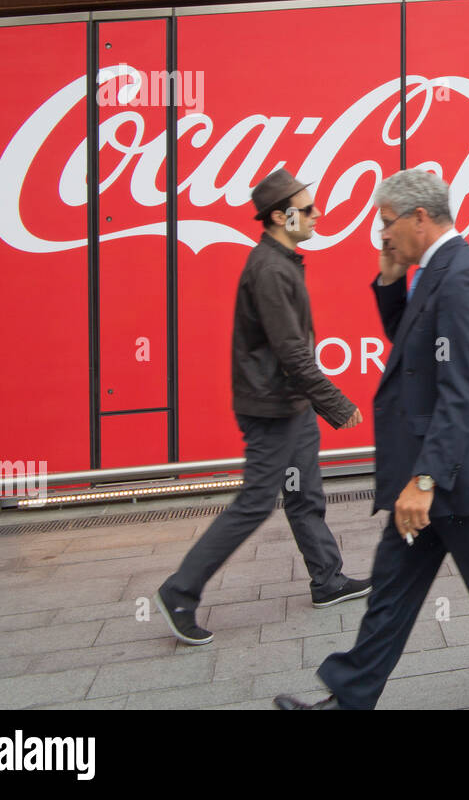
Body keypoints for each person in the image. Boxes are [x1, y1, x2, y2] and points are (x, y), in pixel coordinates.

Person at [275, 169, 469, 710]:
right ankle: (352, 695)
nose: (382, 235)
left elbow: (463, 392)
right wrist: (389, 279)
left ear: (419, 217)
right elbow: (413, 349)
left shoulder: (464, 277)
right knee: (394, 586)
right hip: (434, 468)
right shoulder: (436, 272)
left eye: (387, 224)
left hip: (452, 472)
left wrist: (426, 479)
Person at [156, 169, 370, 645]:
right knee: (255, 502)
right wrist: (335, 403)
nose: (317, 214)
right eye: (308, 208)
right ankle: (180, 590)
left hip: (288, 403)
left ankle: (328, 580)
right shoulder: (270, 269)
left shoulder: (284, 261)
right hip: (271, 407)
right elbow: (291, 350)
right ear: (280, 215)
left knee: (305, 494)